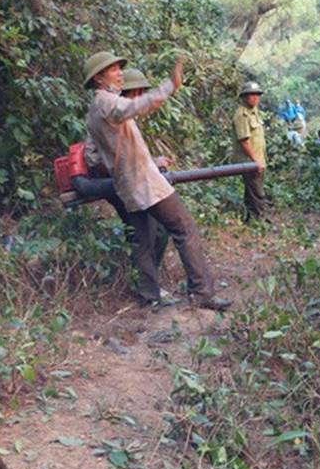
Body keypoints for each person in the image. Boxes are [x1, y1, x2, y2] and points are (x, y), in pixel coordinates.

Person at [83, 50, 230, 310]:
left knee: (143, 240)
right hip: (144, 183)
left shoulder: (95, 110)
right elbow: (134, 107)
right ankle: (201, 294)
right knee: (185, 228)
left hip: (128, 185)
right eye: (114, 70)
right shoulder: (105, 102)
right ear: (98, 78)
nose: (120, 74)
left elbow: (101, 153)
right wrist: (169, 86)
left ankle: (148, 297)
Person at [83, 67, 171, 298]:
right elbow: (95, 158)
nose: (137, 98)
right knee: (145, 233)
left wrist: (151, 162)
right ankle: (145, 289)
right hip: (117, 183)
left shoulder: (124, 118)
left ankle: (149, 282)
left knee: (159, 230)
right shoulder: (107, 112)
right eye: (136, 93)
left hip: (135, 181)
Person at [232, 81, 269, 222]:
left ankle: (250, 218)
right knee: (257, 192)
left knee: (252, 191)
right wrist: (255, 161)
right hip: (250, 161)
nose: (255, 98)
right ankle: (260, 221)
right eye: (251, 95)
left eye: (257, 95)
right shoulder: (242, 115)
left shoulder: (254, 112)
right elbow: (244, 141)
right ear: (244, 97)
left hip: (258, 159)